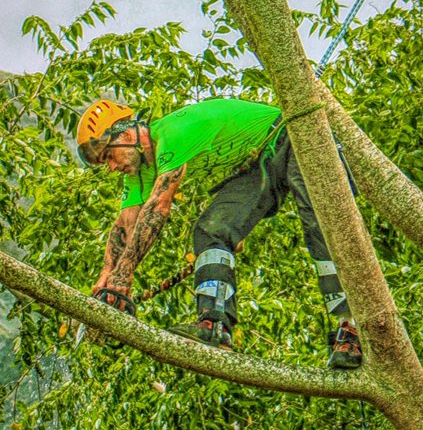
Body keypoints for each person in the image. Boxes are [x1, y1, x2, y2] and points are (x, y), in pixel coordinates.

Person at [76, 97, 362, 369]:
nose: (112, 167)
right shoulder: (140, 170)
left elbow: (157, 210)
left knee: (322, 227)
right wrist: (106, 277)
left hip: (290, 136)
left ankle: (351, 328)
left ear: (125, 135)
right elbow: (126, 223)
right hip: (260, 162)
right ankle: (214, 326)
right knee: (212, 231)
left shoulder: (173, 134)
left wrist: (123, 276)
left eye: (109, 157)